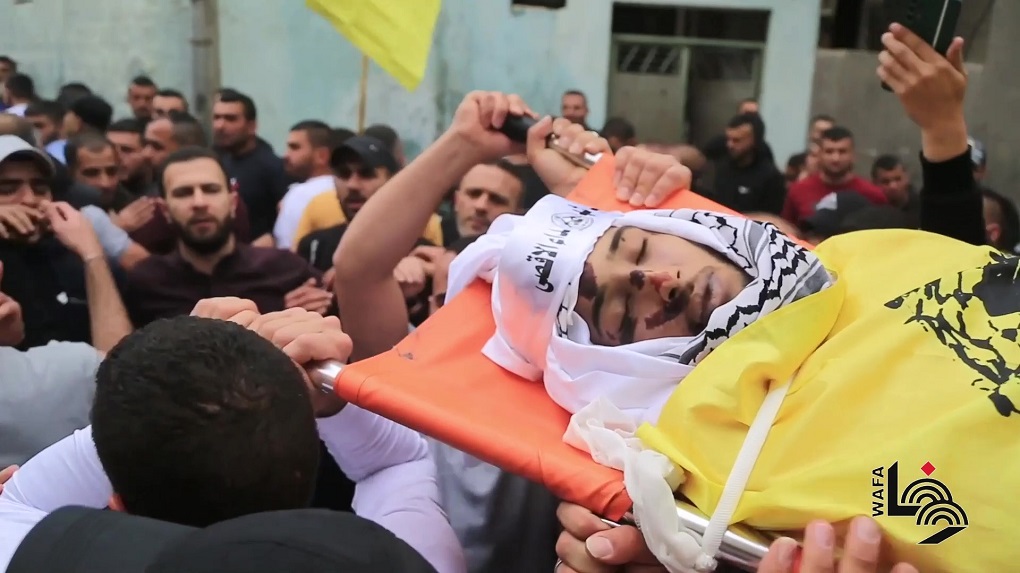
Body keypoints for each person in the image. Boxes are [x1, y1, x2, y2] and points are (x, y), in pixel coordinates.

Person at [0, 299, 465, 573]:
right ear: (305, 472)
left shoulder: (23, 551)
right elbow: (395, 463)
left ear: (115, 504)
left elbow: (18, 503)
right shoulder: (410, 561)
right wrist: (329, 399)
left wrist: (173, 377)